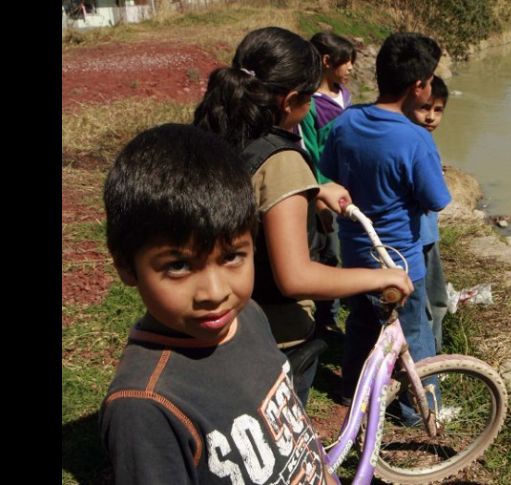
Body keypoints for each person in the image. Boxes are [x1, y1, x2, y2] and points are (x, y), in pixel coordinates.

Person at [99, 123, 333, 484]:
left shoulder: (249, 316)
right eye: (178, 265)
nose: (214, 292)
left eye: (231, 256)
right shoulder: (145, 406)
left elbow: (298, 439)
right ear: (127, 267)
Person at [193, 26, 413, 406]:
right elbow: (296, 277)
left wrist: (312, 189)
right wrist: (381, 277)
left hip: (216, 319)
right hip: (274, 336)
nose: (311, 107)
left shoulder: (215, 133)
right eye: (309, 97)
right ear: (291, 100)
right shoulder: (282, 163)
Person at [319, 32, 451, 422]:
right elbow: (436, 199)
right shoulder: (414, 138)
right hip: (398, 262)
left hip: (355, 252)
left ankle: (352, 393)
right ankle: (421, 412)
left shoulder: (346, 123)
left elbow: (330, 176)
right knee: (415, 336)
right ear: (420, 86)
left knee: (361, 324)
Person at [298, 32, 358, 337]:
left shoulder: (343, 94)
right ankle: (326, 318)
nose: (350, 68)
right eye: (345, 62)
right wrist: (319, 198)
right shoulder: (309, 106)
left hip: (347, 187)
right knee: (327, 253)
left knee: (347, 247)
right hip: (325, 192)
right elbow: (308, 153)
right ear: (326, 62)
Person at [408, 75, 450, 352]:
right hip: (420, 236)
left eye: (438, 110)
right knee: (432, 299)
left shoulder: (412, 139)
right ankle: (433, 355)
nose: (431, 117)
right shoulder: (418, 142)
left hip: (422, 233)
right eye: (425, 108)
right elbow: (437, 199)